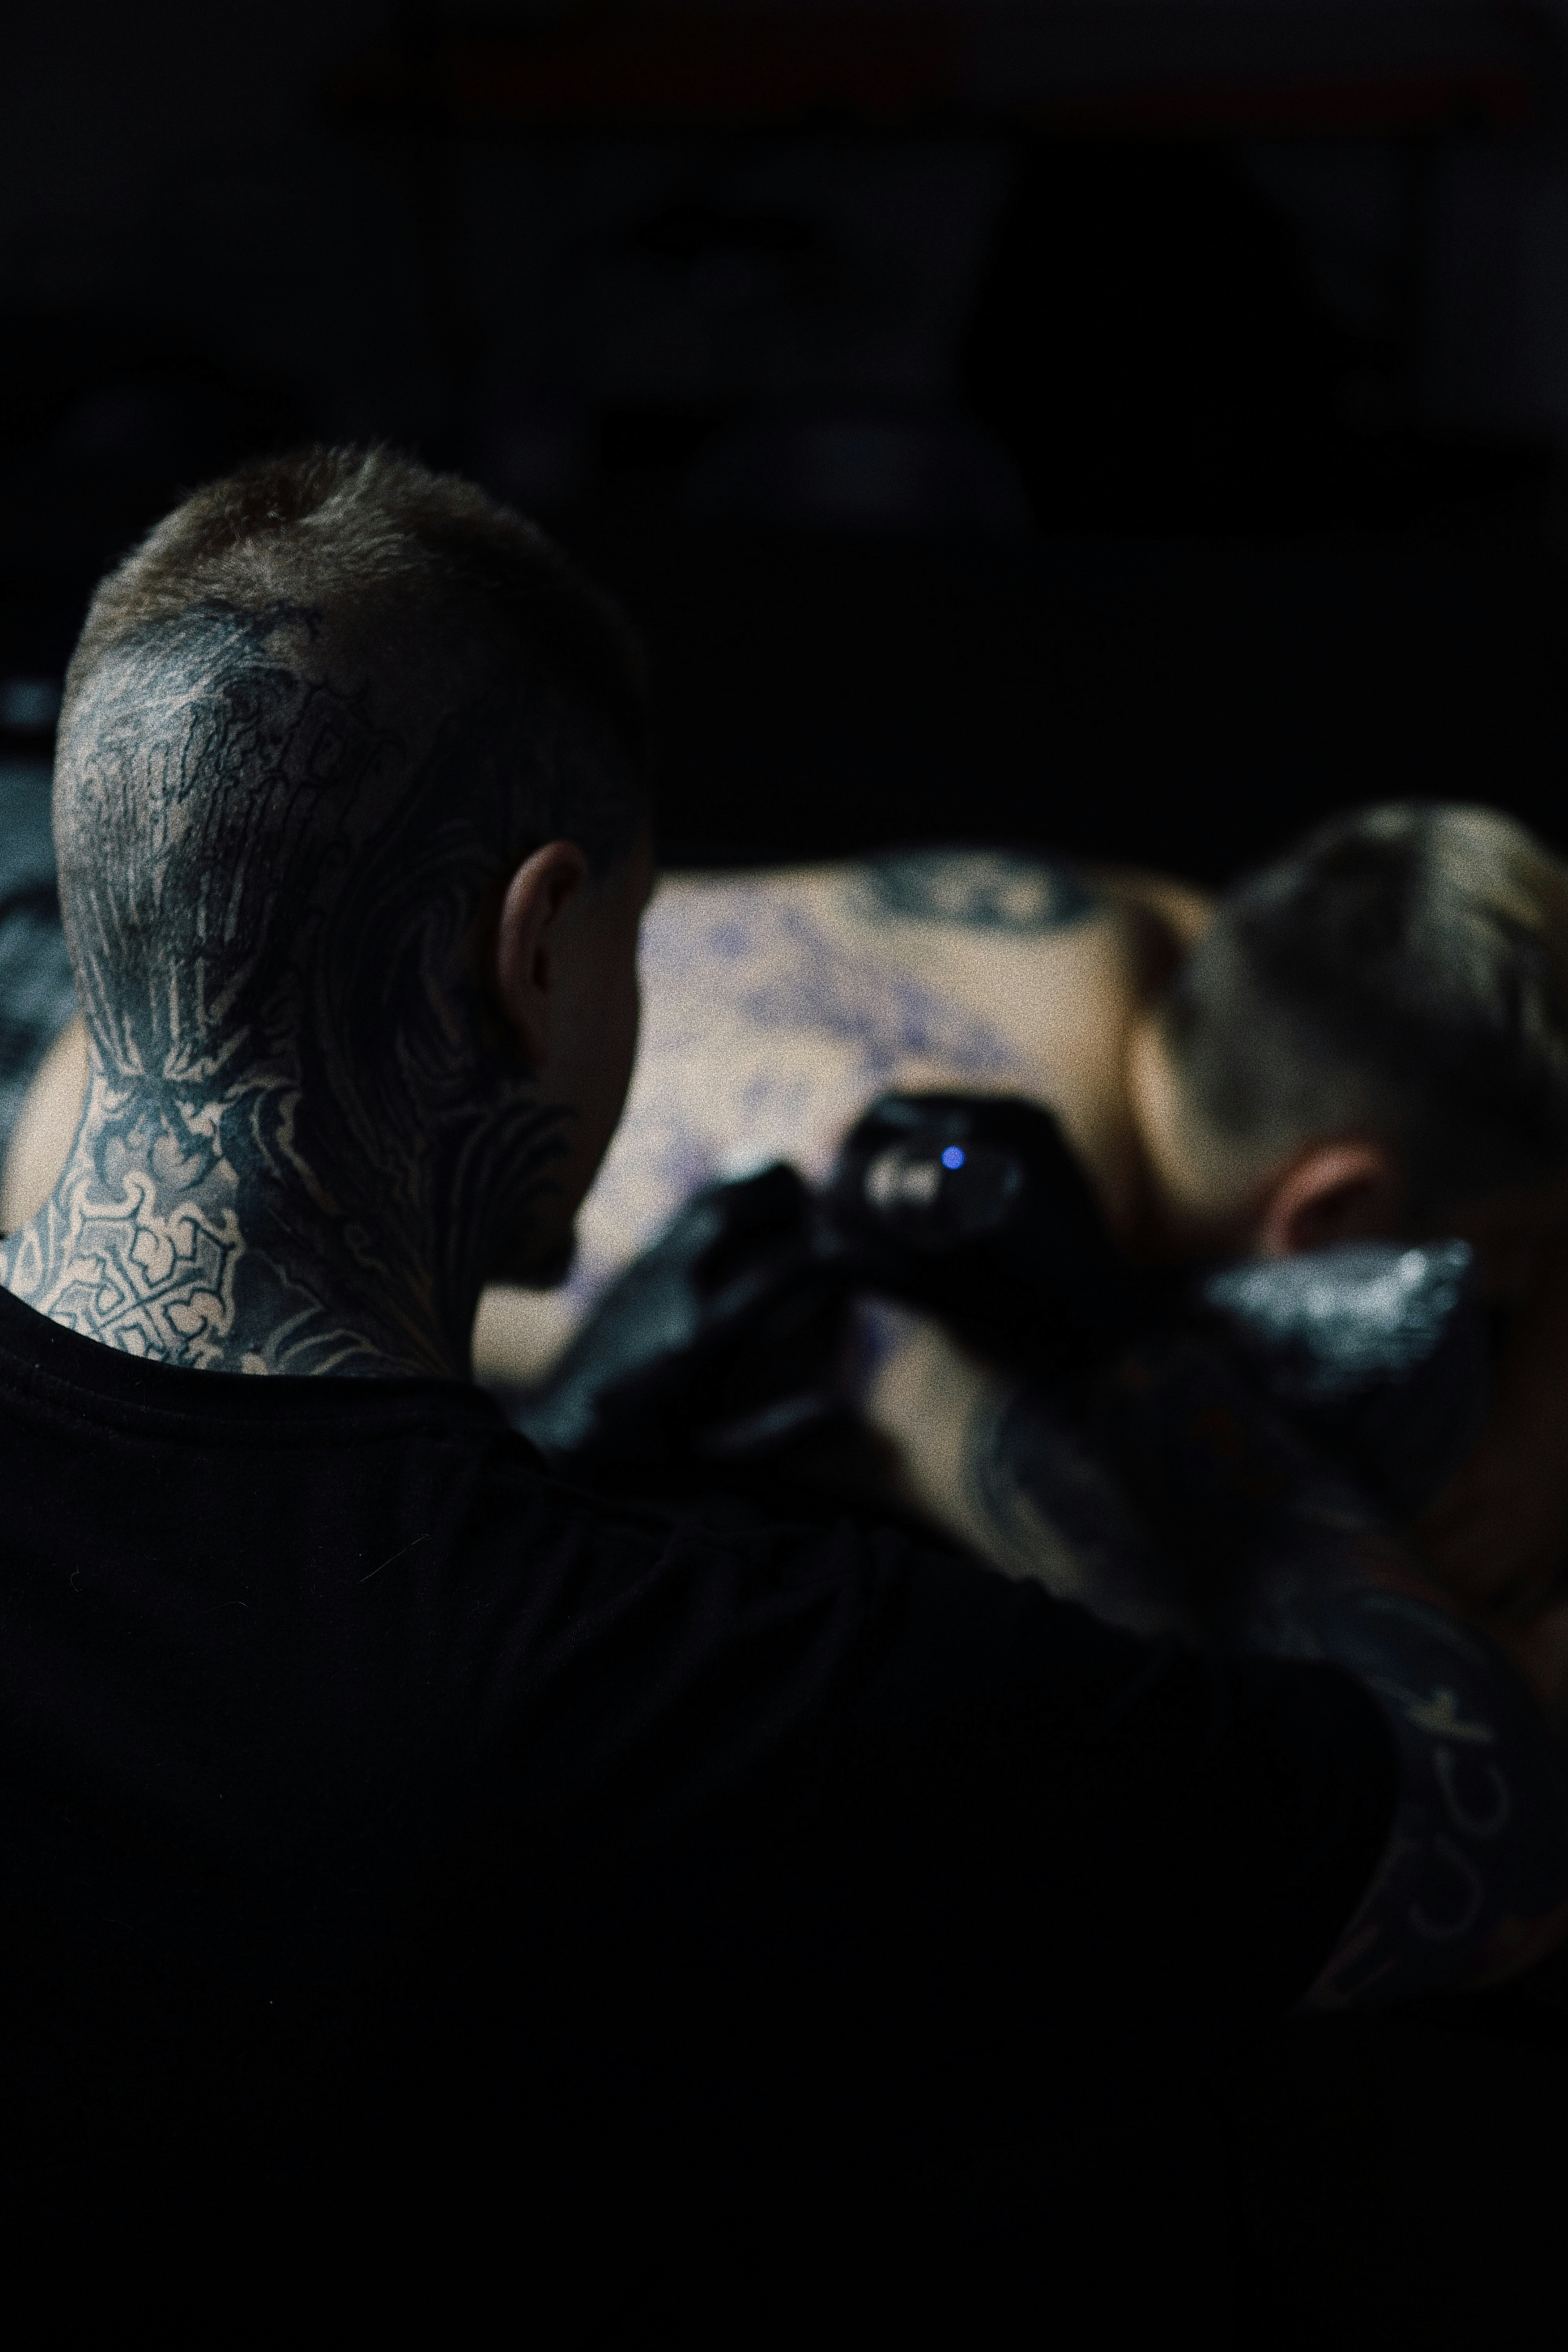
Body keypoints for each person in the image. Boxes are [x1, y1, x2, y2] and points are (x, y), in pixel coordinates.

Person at [0, 445, 1565, 2330]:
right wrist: (1138, 1360)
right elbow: (1485, 1841)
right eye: (642, 941)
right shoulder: (743, 1683)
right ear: (541, 952)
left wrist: (566, 1445)